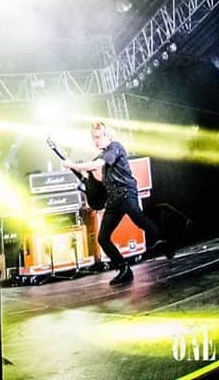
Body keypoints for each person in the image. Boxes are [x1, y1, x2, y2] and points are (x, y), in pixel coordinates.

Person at [63, 121, 173, 286]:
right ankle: (124, 269)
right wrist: (81, 172)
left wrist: (74, 165)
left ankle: (164, 243)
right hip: (113, 201)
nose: (95, 140)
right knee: (103, 238)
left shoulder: (115, 147)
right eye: (93, 138)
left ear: (107, 135)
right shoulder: (102, 155)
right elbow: (98, 177)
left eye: (98, 137)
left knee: (139, 220)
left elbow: (98, 164)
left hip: (126, 193)